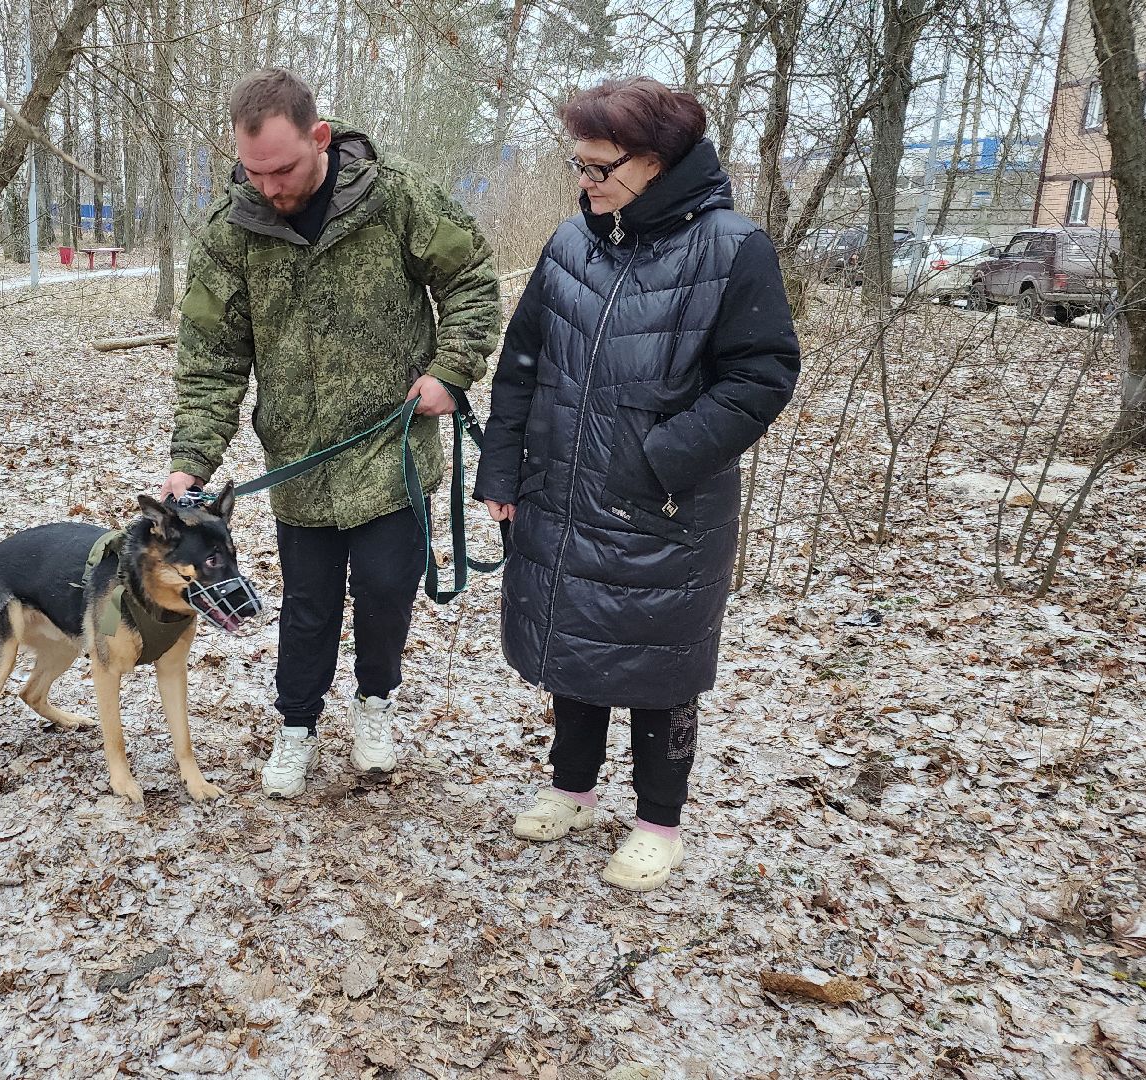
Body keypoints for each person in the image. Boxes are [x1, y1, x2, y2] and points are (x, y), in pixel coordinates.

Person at [473, 78, 800, 890]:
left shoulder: (734, 249)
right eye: (577, 166)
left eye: (598, 168)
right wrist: (503, 468)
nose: (583, 182)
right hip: (560, 486)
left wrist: (661, 458)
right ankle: (572, 788)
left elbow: (762, 376)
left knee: (659, 662)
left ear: (656, 162)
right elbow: (521, 366)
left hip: (664, 504)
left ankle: (660, 821)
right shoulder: (570, 245)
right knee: (573, 640)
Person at [161, 68, 500, 798]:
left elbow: (472, 279)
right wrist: (191, 461)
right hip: (301, 465)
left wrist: (452, 369)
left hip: (391, 452)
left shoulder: (399, 197)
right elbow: (213, 358)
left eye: (282, 168)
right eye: (254, 172)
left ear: (320, 138)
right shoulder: (232, 231)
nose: (270, 187)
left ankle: (375, 702)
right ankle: (297, 726)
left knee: (385, 593)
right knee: (309, 606)